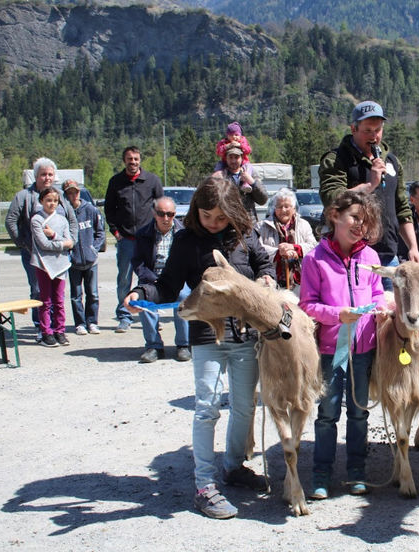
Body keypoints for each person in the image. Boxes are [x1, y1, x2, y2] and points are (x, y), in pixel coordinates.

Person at [124, 176, 275, 519]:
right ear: (197, 211)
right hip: (206, 335)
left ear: (233, 212)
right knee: (207, 407)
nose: (213, 223)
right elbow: (166, 286)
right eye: (207, 216)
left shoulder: (245, 235)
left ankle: (234, 466)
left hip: (245, 335)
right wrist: (140, 294)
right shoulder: (186, 241)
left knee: (244, 406)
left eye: (221, 217)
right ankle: (205, 485)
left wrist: (267, 279)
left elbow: (264, 265)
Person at [299, 189, 385, 499]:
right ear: (334, 215)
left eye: (364, 221)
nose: (359, 226)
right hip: (330, 351)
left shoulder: (371, 257)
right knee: (327, 414)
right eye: (354, 218)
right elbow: (307, 304)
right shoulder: (314, 259)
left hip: (363, 349)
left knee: (360, 412)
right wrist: (338, 315)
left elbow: (376, 293)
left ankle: (356, 471)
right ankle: (321, 474)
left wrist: (380, 307)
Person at [319, 100, 419, 291]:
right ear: (353, 128)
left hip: (388, 257)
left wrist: (412, 247)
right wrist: (369, 185)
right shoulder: (336, 159)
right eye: (368, 131)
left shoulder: (391, 161)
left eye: (378, 130)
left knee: (389, 316)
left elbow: (402, 208)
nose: (374, 136)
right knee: (355, 316)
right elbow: (332, 198)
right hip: (349, 257)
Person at [5, 157, 78, 334]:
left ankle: (56, 328)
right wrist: (23, 244)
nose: (47, 178)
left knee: (57, 294)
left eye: (50, 174)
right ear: (35, 176)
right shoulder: (23, 197)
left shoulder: (60, 197)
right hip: (35, 255)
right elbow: (10, 221)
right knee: (39, 291)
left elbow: (72, 221)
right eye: (43, 174)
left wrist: (71, 242)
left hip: (59, 255)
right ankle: (41, 327)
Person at [105, 146, 163, 333]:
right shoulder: (116, 182)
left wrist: (158, 230)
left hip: (148, 239)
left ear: (140, 160)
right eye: (130, 159)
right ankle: (124, 316)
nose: (133, 162)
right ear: (124, 161)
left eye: (136, 159)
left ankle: (152, 313)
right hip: (126, 240)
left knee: (150, 279)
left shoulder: (152, 181)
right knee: (124, 279)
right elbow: (109, 210)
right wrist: (116, 232)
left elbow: (160, 206)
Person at [131, 197, 191, 363]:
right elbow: (138, 262)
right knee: (144, 300)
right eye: (161, 214)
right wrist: (153, 279)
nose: (166, 218)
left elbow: (190, 260)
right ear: (154, 213)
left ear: (175, 214)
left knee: (184, 297)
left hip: (177, 278)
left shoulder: (185, 233)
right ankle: (153, 346)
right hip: (152, 278)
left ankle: (183, 345)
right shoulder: (143, 234)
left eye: (170, 214)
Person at [31, 187, 74, 347]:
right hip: (43, 264)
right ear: (41, 201)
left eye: (55, 201)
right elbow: (43, 244)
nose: (52, 203)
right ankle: (46, 332)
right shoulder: (36, 219)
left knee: (59, 300)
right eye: (48, 200)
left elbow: (70, 241)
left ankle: (59, 330)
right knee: (45, 300)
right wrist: (62, 244)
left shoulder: (62, 219)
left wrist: (55, 236)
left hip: (61, 264)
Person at [63, 180, 105, 336]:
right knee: (76, 295)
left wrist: (93, 249)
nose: (73, 195)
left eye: (75, 192)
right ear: (66, 195)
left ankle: (92, 322)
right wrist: (69, 253)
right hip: (74, 262)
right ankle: (80, 323)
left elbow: (100, 232)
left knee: (93, 293)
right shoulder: (64, 213)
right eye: (69, 192)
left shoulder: (91, 210)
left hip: (91, 260)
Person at [255, 188, 317, 292]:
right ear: (274, 208)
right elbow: (256, 250)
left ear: (294, 209)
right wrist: (279, 252)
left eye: (287, 206)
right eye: (279, 206)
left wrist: (295, 248)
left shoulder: (303, 225)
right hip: (271, 281)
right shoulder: (262, 226)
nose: (283, 210)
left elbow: (314, 246)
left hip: (300, 280)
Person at [218, 141, 267, 223]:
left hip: (249, 226)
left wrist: (252, 183)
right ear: (226, 158)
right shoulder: (221, 175)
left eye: (236, 157)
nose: (233, 160)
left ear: (242, 158)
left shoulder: (251, 174)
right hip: (228, 226)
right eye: (230, 157)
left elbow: (263, 200)